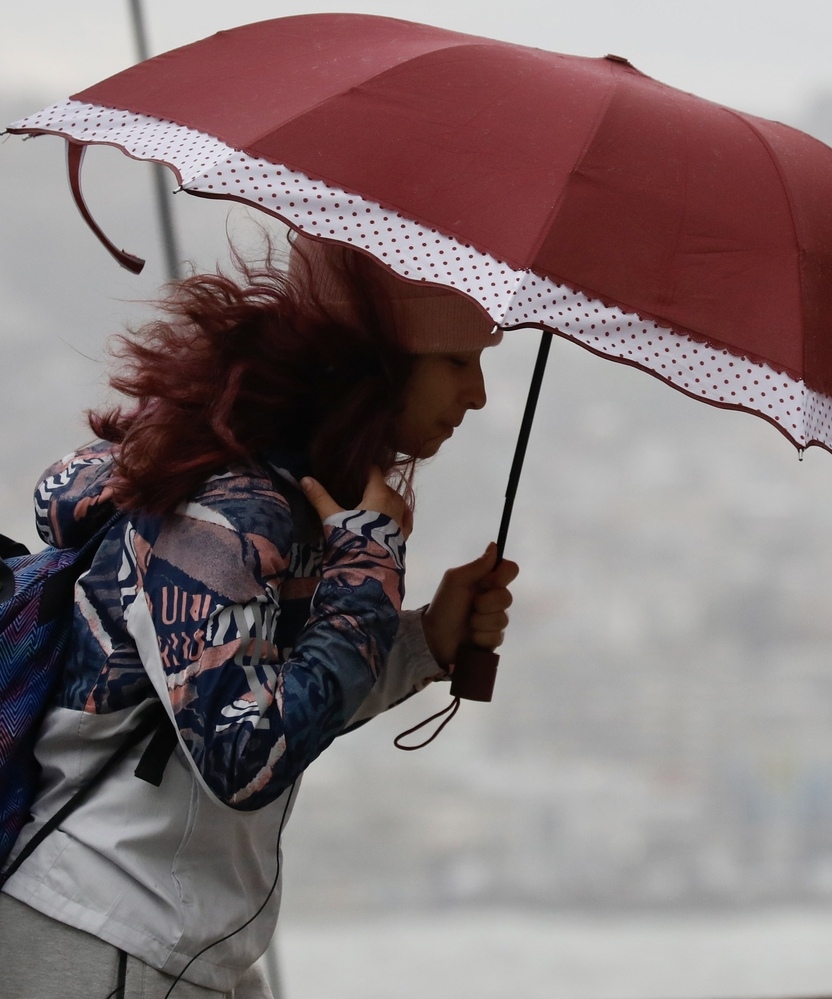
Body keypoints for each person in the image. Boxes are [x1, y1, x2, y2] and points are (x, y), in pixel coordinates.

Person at [0, 234, 517, 998]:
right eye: (456, 360)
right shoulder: (227, 511)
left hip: (173, 937)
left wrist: (422, 639)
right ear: (377, 361)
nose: (477, 394)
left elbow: (271, 695)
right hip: (106, 927)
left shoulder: (287, 496)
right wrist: (367, 571)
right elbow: (246, 753)